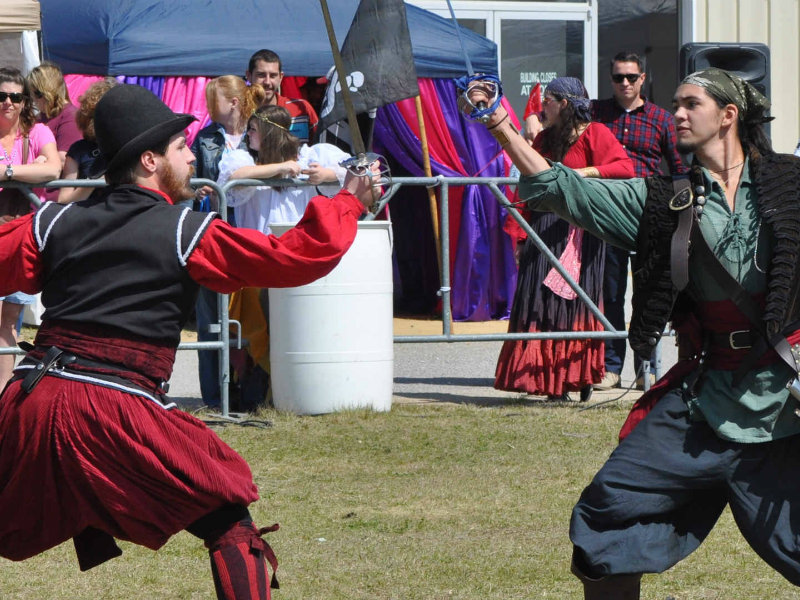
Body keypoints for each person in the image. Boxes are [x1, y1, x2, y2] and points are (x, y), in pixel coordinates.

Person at [0, 83, 376, 600]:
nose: (188, 156)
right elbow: (293, 257)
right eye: (180, 148)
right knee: (227, 518)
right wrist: (349, 203)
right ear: (150, 160)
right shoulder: (185, 230)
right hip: (112, 407)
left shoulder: (52, 221)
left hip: (30, 403)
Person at [466, 68, 800, 598]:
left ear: (729, 115)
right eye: (675, 103)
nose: (678, 114)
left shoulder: (791, 185)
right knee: (606, 517)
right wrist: (500, 124)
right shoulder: (664, 201)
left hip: (785, 408)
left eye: (691, 104)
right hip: (705, 404)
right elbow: (564, 189)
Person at [525, 53, 688, 391]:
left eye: (631, 77)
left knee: (649, 292)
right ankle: (612, 368)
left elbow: (679, 168)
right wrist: (532, 119)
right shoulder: (596, 114)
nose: (625, 83)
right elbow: (558, 115)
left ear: (643, 79)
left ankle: (647, 368)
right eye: (618, 78)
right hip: (606, 217)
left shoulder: (661, 119)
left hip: (650, 213)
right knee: (610, 295)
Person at [493, 77, 634, 402]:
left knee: (576, 306)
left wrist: (585, 174)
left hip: (583, 234)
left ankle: (577, 378)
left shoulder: (596, 134)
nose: (544, 108)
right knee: (541, 305)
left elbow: (625, 168)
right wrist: (519, 237)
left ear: (565, 104)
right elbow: (528, 186)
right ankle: (545, 382)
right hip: (543, 232)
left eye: (549, 101)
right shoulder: (544, 139)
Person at [190, 75, 265, 409]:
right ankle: (215, 396)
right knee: (212, 319)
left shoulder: (261, 132)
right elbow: (188, 181)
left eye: (214, 99)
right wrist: (197, 188)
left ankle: (256, 392)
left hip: (253, 232)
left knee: (256, 317)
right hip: (215, 234)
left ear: (234, 102)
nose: (208, 106)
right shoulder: (204, 138)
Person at [0, 66, 61, 390]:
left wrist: (8, 171)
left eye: (15, 96)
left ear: (25, 101)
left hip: (22, 234)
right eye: (1, 96)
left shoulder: (37, 132)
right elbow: (41, 169)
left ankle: (3, 393)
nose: (8, 103)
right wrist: (28, 170)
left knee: (10, 320)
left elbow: (53, 167)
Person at [218, 104, 349, 234]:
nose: (248, 134)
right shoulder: (246, 159)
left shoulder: (307, 157)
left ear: (269, 134)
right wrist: (280, 167)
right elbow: (234, 176)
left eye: (253, 129)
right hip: (258, 242)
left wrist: (326, 175)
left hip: (297, 239)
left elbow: (350, 170)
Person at [26, 61, 82, 202]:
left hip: (53, 200)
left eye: (35, 94)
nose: (33, 100)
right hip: (35, 196)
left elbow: (64, 160)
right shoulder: (41, 117)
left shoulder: (70, 116)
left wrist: (42, 160)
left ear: (45, 92)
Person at [58, 78, 118, 204]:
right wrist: (92, 183)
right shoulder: (79, 150)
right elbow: (63, 200)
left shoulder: (130, 147)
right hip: (88, 217)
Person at [245, 49, 319, 144]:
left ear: (281, 77)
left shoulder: (302, 109)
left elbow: (320, 146)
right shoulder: (239, 112)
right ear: (249, 76)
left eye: (273, 76)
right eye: (261, 75)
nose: (267, 82)